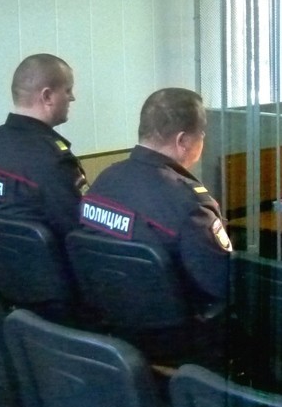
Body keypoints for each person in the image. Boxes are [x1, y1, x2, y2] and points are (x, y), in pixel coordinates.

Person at [77, 88, 231, 311]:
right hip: (175, 328)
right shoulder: (190, 205)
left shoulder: (103, 182)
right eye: (202, 134)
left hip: (104, 317)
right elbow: (221, 282)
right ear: (183, 141)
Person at [0, 53, 87, 243]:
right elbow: (78, 230)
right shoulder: (53, 160)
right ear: (47, 96)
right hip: (48, 262)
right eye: (67, 90)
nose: (72, 98)